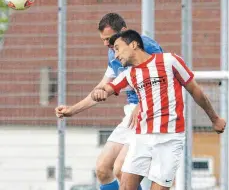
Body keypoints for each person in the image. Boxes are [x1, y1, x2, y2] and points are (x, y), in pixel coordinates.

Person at [91, 29, 226, 190]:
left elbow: (195, 91)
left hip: (170, 138)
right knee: (126, 186)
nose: (115, 55)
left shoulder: (170, 60)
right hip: (142, 138)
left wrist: (214, 119)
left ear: (134, 44)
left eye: (118, 48)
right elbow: (108, 88)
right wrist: (99, 92)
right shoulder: (130, 74)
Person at [55, 13, 163, 190]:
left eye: (109, 39)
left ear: (123, 31)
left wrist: (144, 104)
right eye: (103, 40)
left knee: (122, 170)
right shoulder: (112, 53)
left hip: (152, 114)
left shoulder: (148, 47)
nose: (106, 44)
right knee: (103, 169)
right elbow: (102, 88)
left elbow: (164, 81)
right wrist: (72, 110)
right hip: (131, 114)